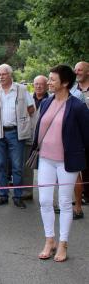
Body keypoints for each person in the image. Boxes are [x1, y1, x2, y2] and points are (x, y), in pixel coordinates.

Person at [34, 64, 89, 262]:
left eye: (52, 80)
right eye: (48, 79)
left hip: (67, 162)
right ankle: (50, 240)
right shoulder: (46, 103)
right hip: (46, 159)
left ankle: (63, 243)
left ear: (65, 83)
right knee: (45, 201)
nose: (48, 82)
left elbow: (86, 136)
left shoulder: (78, 106)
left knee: (65, 202)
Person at [0, 64, 35, 209]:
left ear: (11, 75)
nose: (1, 77)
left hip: (16, 133)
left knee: (17, 167)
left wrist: (22, 122)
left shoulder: (21, 89)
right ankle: (3, 195)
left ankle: (17, 196)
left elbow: (31, 109)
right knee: (0, 165)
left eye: (4, 74)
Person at [73, 61, 89, 219]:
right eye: (75, 70)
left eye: (80, 70)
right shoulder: (72, 89)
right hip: (78, 134)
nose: (77, 72)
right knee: (81, 166)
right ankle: (84, 195)